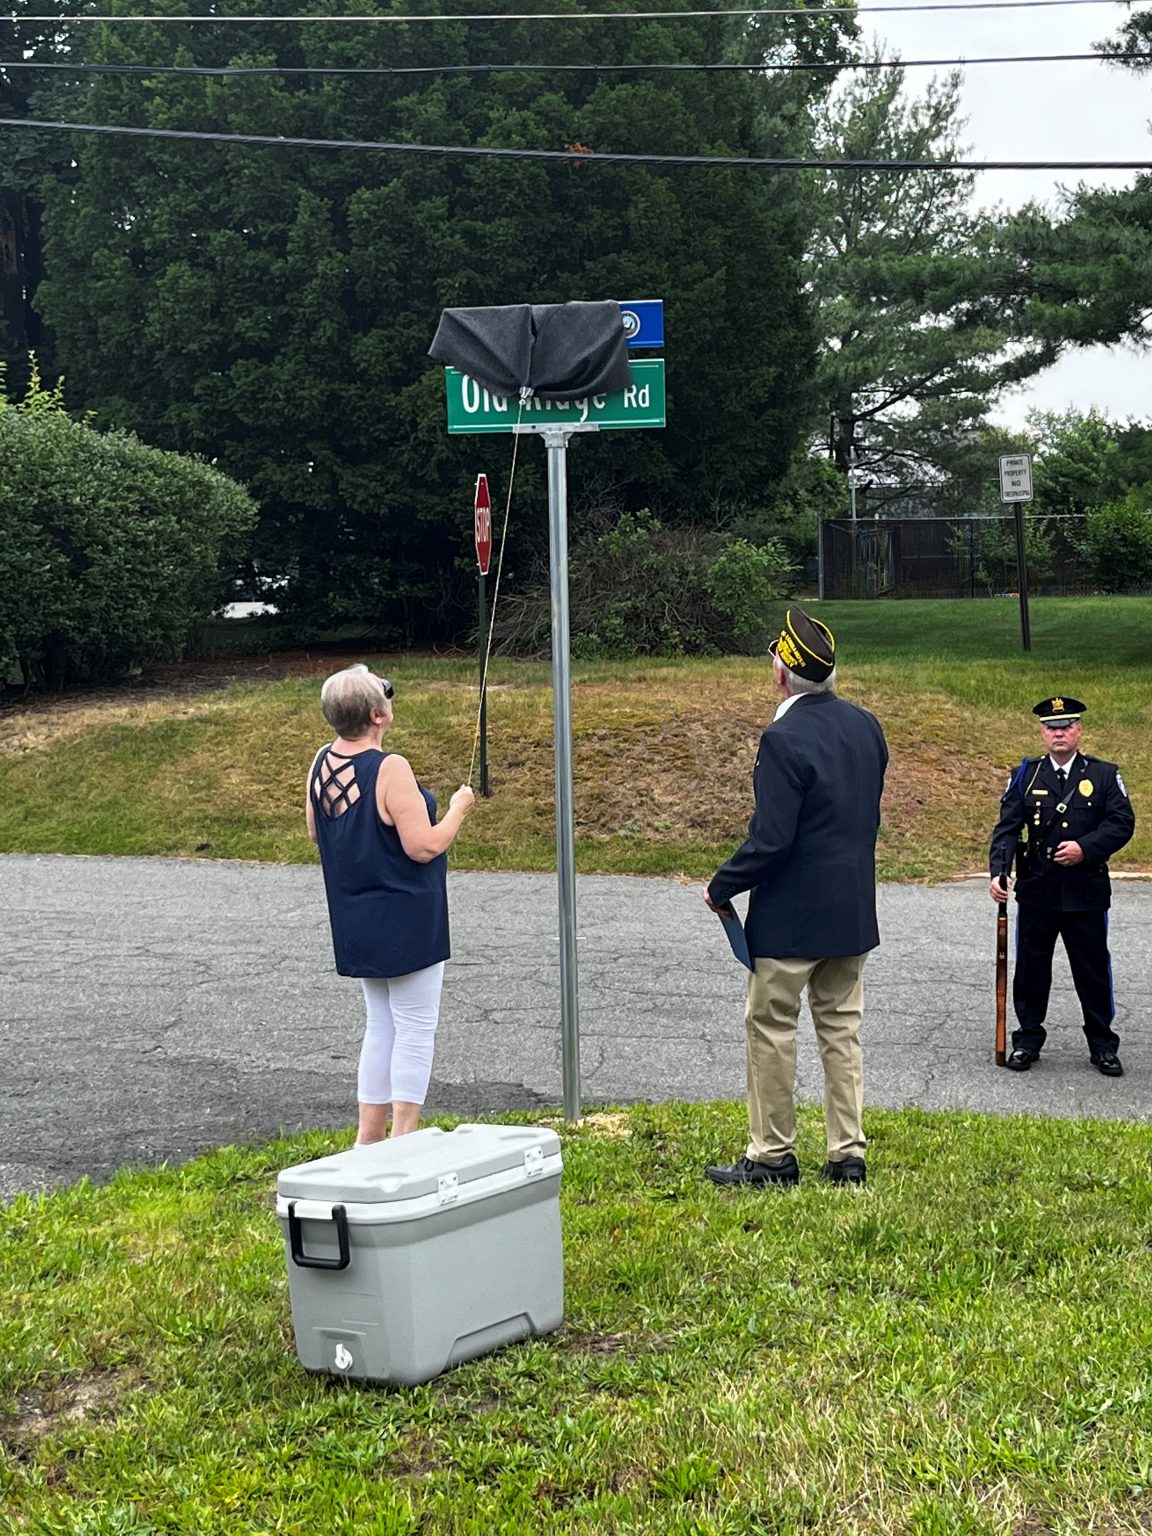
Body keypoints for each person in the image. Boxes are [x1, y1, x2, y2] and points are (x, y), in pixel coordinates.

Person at [703, 606, 888, 1190]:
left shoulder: (782, 738)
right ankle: (847, 1155)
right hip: (851, 908)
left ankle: (772, 1155)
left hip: (791, 915)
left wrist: (722, 885)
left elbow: (772, 840)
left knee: (771, 1029)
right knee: (841, 1031)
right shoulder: (867, 726)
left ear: (782, 674)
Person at [306, 664, 475, 1142]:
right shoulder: (390, 767)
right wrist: (458, 810)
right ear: (377, 715)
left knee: (381, 1026)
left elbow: (317, 831)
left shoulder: (321, 761)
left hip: (355, 915)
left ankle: (369, 1138)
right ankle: (402, 1139)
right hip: (406, 915)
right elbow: (423, 846)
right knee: (415, 1028)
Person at [989, 696, 1135, 1076]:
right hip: (1038, 889)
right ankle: (1027, 1041)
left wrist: (1085, 848)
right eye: (1051, 727)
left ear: (1078, 730)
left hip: (1085, 890)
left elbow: (1122, 823)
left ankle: (1103, 1045)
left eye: (1066, 726)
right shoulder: (1026, 775)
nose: (1059, 733)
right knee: (1031, 969)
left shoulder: (1104, 775)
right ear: (1042, 732)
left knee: (1092, 970)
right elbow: (1007, 829)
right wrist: (999, 871)